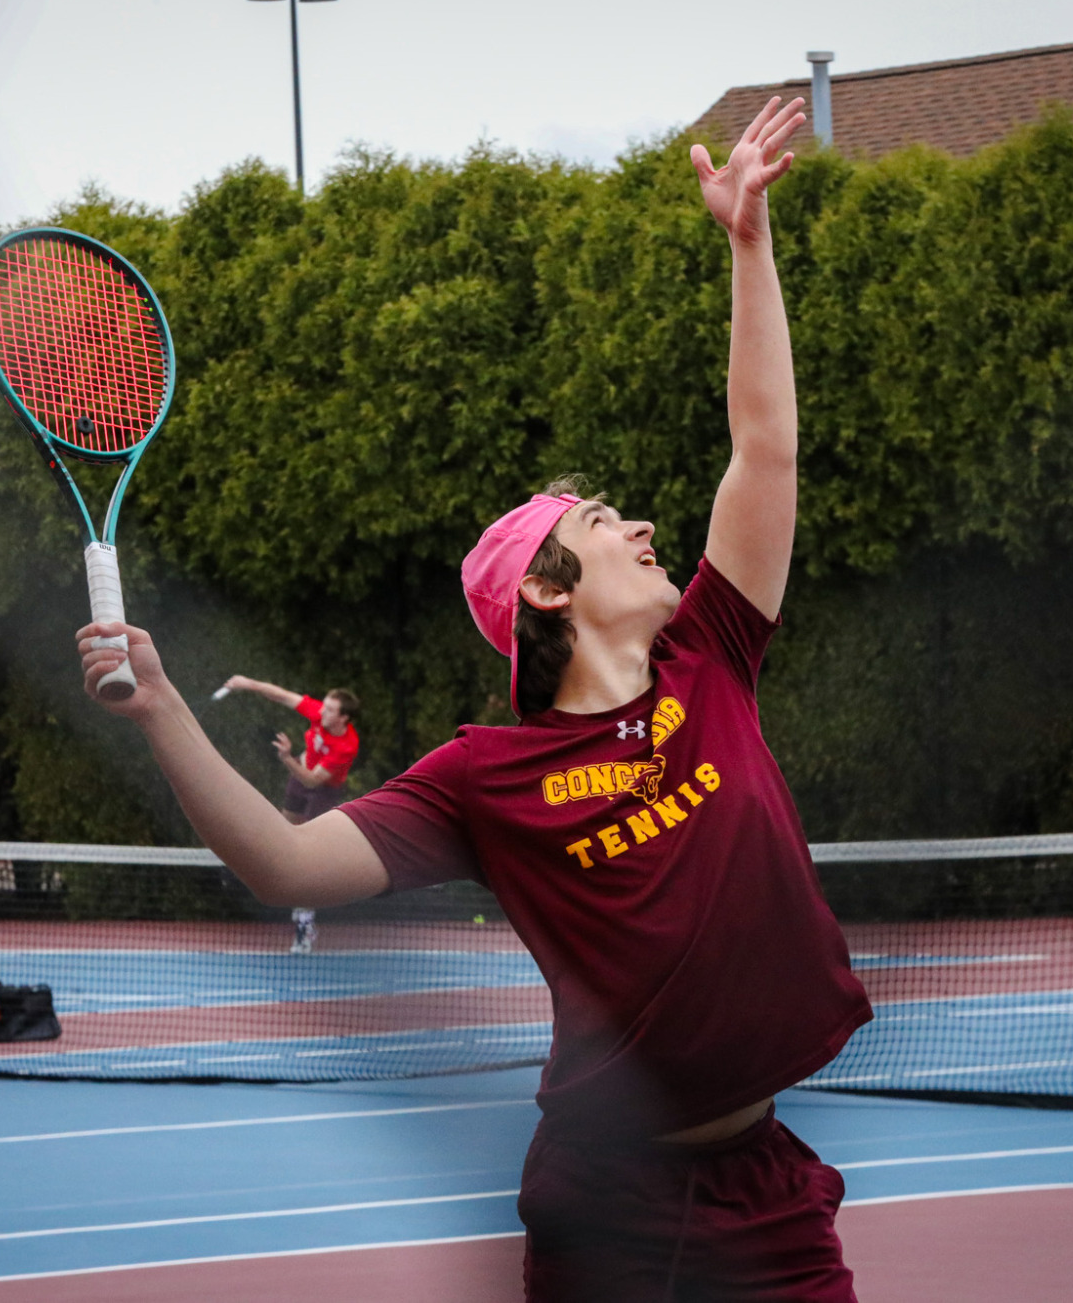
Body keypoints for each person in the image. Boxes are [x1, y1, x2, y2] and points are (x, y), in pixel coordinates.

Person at [78, 97, 868, 1300]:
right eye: (606, 525)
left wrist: (747, 245)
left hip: (765, 1191)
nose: (645, 525)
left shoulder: (710, 654)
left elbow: (763, 448)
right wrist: (164, 710)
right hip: (613, 1213)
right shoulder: (478, 780)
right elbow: (287, 872)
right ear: (548, 594)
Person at [219, 676, 362, 953]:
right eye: (325, 706)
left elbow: (312, 781)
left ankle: (305, 926)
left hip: (322, 789)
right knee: (284, 833)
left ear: (344, 718)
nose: (323, 712)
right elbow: (282, 695)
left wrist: (286, 759)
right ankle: (259, 876)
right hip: (300, 774)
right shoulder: (319, 712)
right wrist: (246, 683)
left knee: (306, 854)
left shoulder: (346, 746)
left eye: (331, 710)